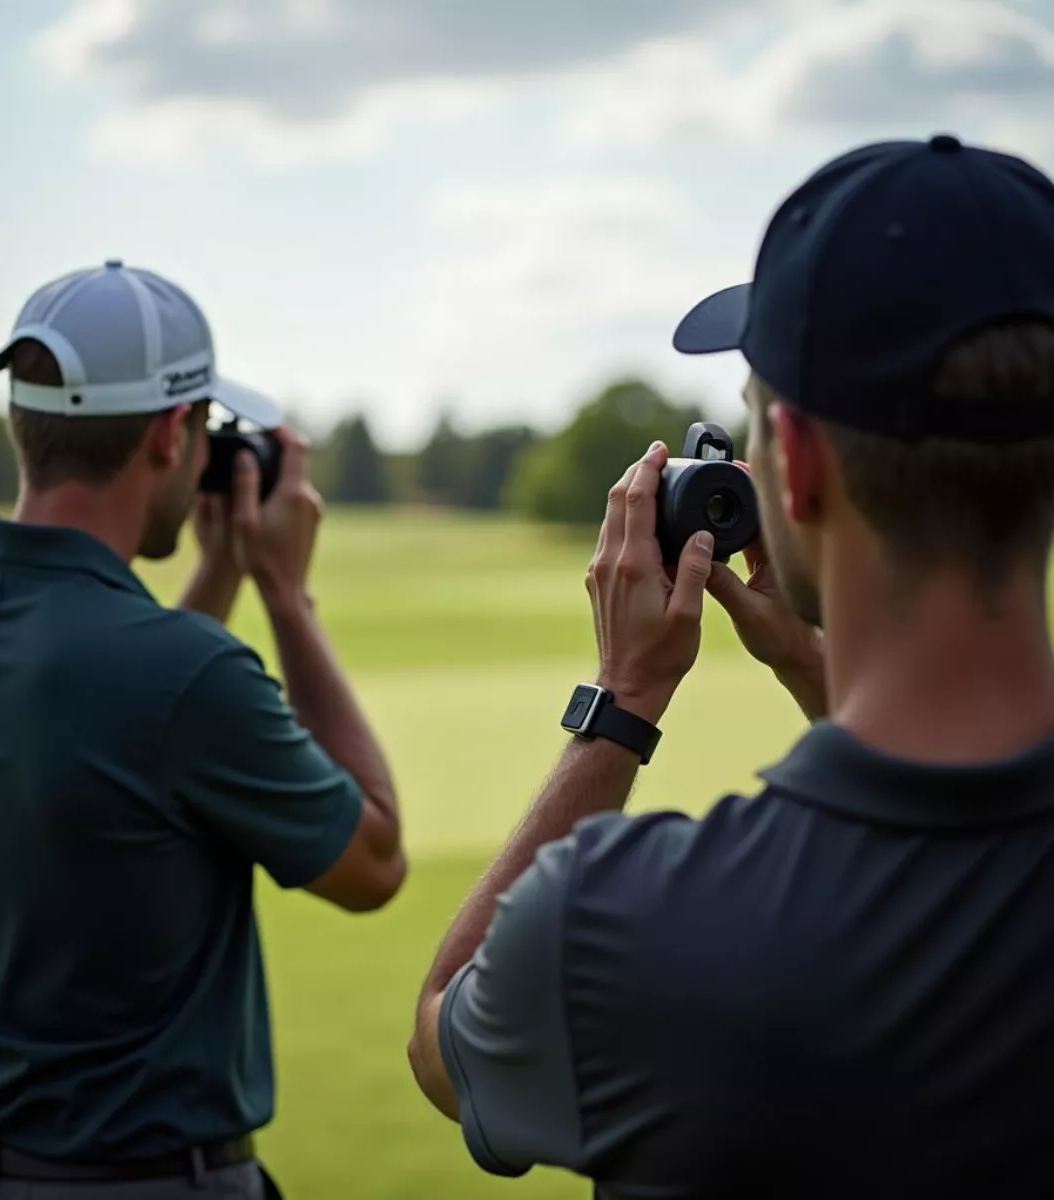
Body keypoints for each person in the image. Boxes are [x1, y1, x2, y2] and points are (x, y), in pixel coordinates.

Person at [407, 134, 1054, 1199]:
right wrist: (816, 665)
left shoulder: (622, 922)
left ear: (791, 464)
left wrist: (622, 702)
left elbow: (445, 1036)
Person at [0, 260, 406, 1199]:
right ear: (168, 433)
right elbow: (373, 861)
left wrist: (223, 569)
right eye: (202, 429)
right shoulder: (185, 679)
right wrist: (284, 592)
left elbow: (113, 711)